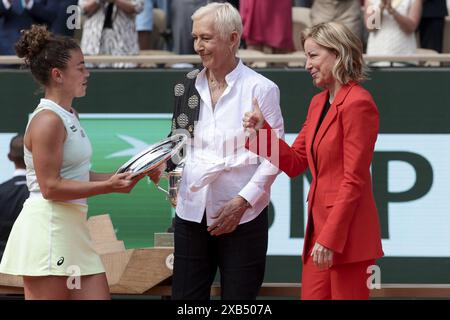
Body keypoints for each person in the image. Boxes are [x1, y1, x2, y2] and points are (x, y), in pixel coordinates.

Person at [150, 2, 284, 300]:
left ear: (233, 39)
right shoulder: (186, 86)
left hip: (242, 216)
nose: (198, 46)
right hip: (191, 211)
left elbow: (273, 157)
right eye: (196, 37)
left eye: (206, 38)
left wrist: (241, 202)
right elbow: (180, 140)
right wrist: (160, 163)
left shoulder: (261, 89)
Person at [0, 25, 142, 300]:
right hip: (49, 232)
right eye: (81, 67)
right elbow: (51, 187)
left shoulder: (69, 115)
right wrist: (110, 187)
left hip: (75, 232)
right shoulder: (48, 121)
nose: (87, 73)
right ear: (58, 75)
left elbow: (80, 175)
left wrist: (128, 174)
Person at [243, 22, 383, 300]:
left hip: (347, 238)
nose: (307, 64)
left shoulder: (358, 103)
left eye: (313, 55)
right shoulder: (318, 103)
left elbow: (354, 180)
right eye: (306, 56)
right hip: (318, 236)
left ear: (338, 53)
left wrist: (330, 238)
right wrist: (262, 133)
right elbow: (296, 162)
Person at [78, 0, 144, 68]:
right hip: (92, 46)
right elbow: (82, 8)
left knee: (125, 76)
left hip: (124, 47)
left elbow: (138, 6)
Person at [365, 0, 422, 66]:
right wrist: (381, 8)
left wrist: (393, 11)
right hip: (376, 58)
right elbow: (370, 28)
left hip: (404, 57)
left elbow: (410, 28)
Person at [0, 134, 29, 259]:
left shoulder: (2, 191)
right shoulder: (44, 193)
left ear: (10, 157)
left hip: (3, 259)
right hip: (34, 261)